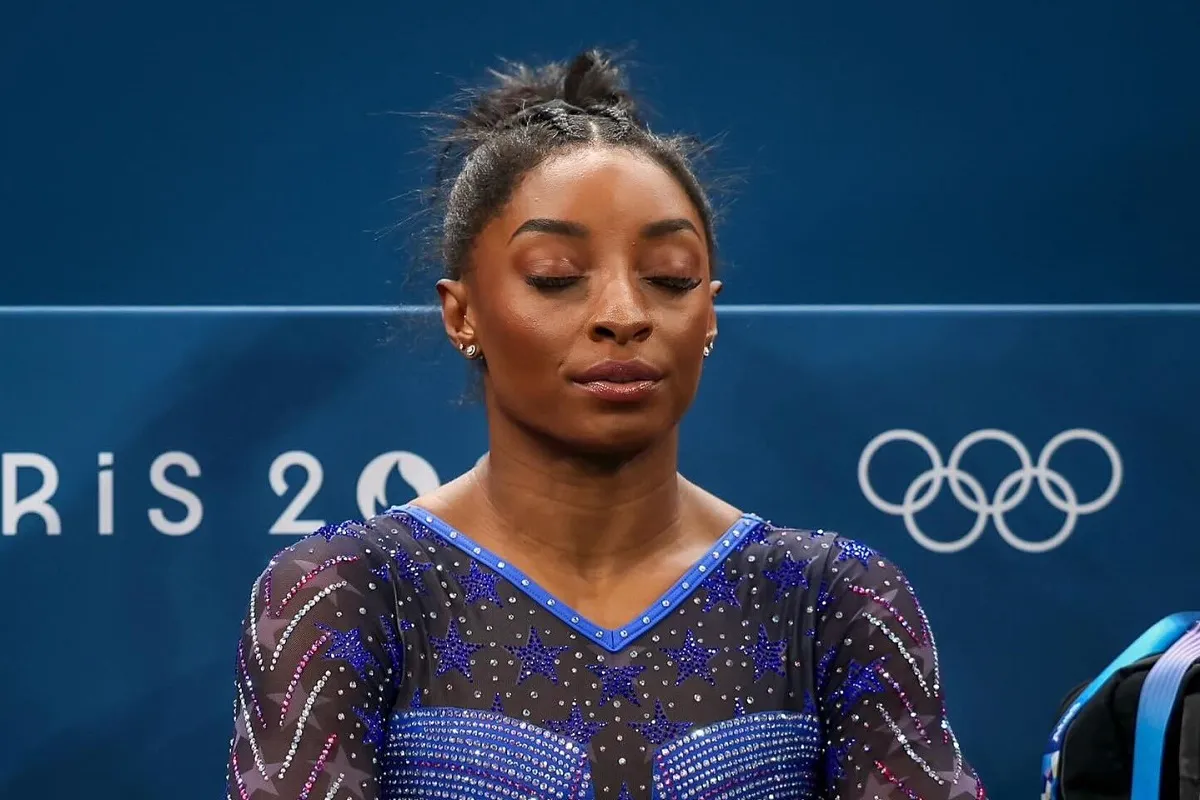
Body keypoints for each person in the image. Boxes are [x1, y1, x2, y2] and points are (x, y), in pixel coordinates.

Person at [225, 49, 985, 800]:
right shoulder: (346, 594)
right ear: (462, 314)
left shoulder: (832, 603)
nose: (624, 315)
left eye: (670, 279)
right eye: (557, 278)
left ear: (709, 310)